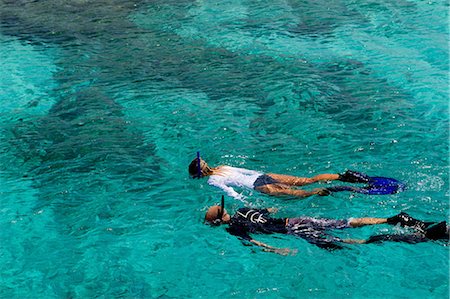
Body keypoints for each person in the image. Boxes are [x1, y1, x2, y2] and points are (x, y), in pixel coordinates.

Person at [204, 200, 449, 255]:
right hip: (297, 220)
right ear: (224, 211)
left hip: (294, 231)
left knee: (346, 244)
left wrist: (276, 250)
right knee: (345, 224)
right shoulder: (241, 211)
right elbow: (269, 211)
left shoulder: (233, 228)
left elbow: (254, 242)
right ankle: (390, 219)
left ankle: (409, 238)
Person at [188, 155, 393, 200]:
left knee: (301, 194)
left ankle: (335, 190)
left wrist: (243, 200)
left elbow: (230, 191)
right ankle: (346, 177)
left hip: (258, 187)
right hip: (263, 175)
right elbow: (247, 170)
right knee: (308, 179)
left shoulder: (212, 181)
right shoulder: (223, 166)